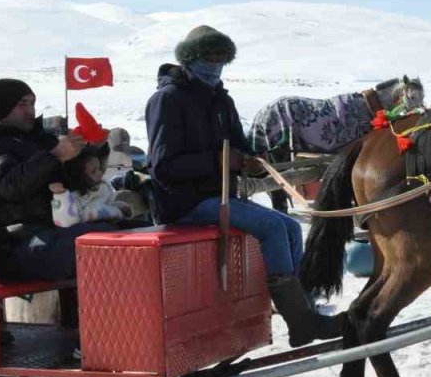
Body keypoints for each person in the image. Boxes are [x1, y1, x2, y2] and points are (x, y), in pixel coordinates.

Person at [145, 25, 341, 347]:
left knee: (291, 226)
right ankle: (301, 320)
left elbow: (239, 147)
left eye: (222, 59)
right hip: (184, 203)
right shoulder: (168, 100)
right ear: (191, 59)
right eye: (210, 57)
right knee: (274, 229)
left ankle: (305, 311)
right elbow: (164, 166)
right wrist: (224, 161)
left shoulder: (222, 100)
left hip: (220, 195)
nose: (216, 66)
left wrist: (251, 158)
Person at [0, 78, 116, 280]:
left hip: (57, 229)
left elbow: (81, 179)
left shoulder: (42, 139)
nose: (30, 110)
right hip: (18, 242)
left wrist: (93, 150)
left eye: (32, 103)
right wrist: (54, 156)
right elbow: (8, 185)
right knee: (104, 245)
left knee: (131, 232)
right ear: (1, 107)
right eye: (22, 104)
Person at [49, 145, 128, 228]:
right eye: (93, 171)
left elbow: (108, 204)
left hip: (112, 222)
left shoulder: (102, 187)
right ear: (79, 177)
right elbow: (65, 221)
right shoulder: (75, 196)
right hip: (90, 230)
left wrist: (119, 207)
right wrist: (61, 195)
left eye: (99, 168)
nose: (100, 173)